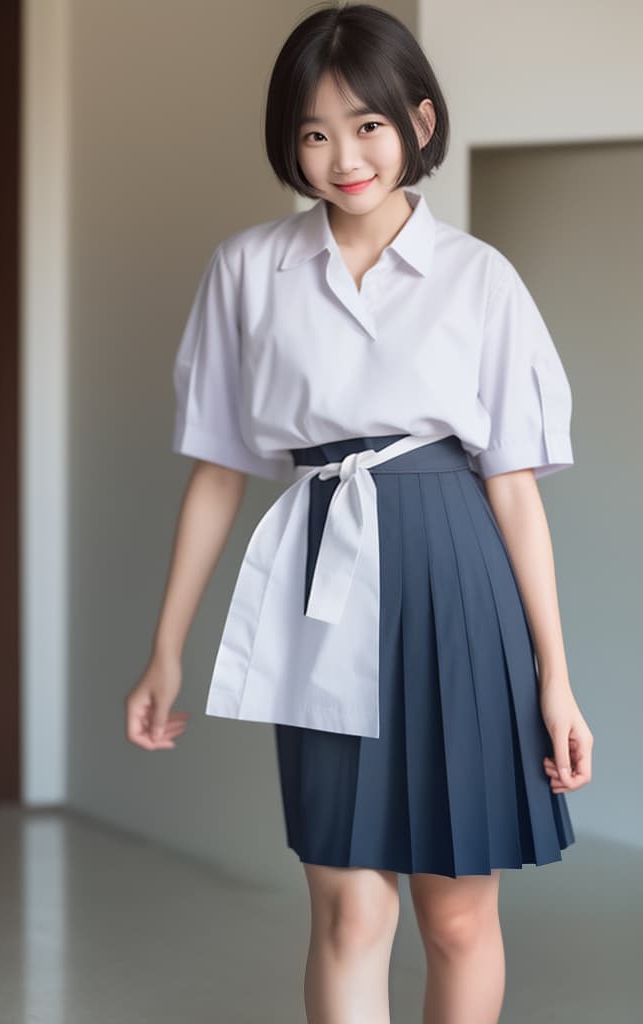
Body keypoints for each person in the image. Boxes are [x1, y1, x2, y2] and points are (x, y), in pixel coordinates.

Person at [125, 3, 594, 1021]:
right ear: (288, 141)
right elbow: (217, 469)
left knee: (460, 917)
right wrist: (166, 649)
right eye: (313, 131)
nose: (344, 155)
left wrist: (555, 680)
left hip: (457, 579)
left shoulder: (479, 280)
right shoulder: (247, 270)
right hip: (319, 586)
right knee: (347, 911)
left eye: (368, 124)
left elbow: (512, 490)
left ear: (418, 122)